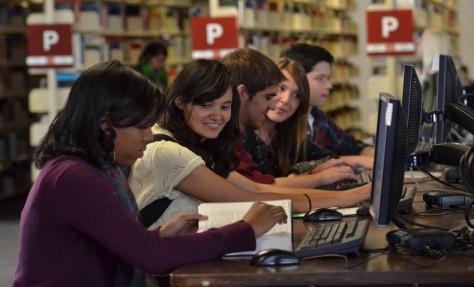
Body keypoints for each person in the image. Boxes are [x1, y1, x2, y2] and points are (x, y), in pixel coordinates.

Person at [5, 60, 288, 287]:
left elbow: (123, 245)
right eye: (141, 126)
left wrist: (162, 234)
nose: (149, 135)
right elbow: (152, 256)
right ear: (106, 124)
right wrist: (245, 231)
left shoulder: (88, 169)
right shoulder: (75, 177)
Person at [129, 58, 370, 230]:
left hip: (188, 261)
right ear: (180, 102)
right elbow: (245, 198)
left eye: (224, 107)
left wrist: (349, 196)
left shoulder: (196, 146)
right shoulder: (167, 152)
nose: (218, 115)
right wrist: (346, 199)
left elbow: (256, 189)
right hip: (167, 280)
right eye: (206, 105)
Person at [222, 48, 371, 188]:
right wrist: (315, 177)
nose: (284, 101)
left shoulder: (289, 132)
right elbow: (258, 188)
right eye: (279, 89)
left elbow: (333, 158)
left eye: (296, 95)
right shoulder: (239, 133)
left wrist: (304, 173)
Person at [281, 43, 375, 156]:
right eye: (320, 78)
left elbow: (351, 147)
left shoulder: (317, 116)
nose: (329, 85)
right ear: (297, 78)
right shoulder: (283, 120)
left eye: (328, 78)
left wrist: (379, 155)